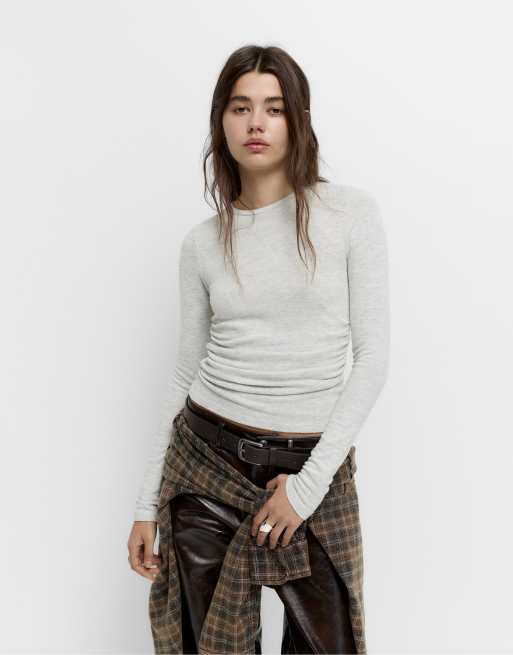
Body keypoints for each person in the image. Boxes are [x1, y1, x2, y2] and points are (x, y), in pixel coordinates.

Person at [127, 44, 390, 654]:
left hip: (311, 470)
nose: (256, 122)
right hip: (206, 465)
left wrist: (306, 488)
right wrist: (145, 503)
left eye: (274, 108)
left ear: (298, 120)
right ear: (221, 121)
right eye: (240, 107)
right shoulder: (202, 244)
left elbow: (373, 359)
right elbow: (184, 374)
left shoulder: (349, 214)